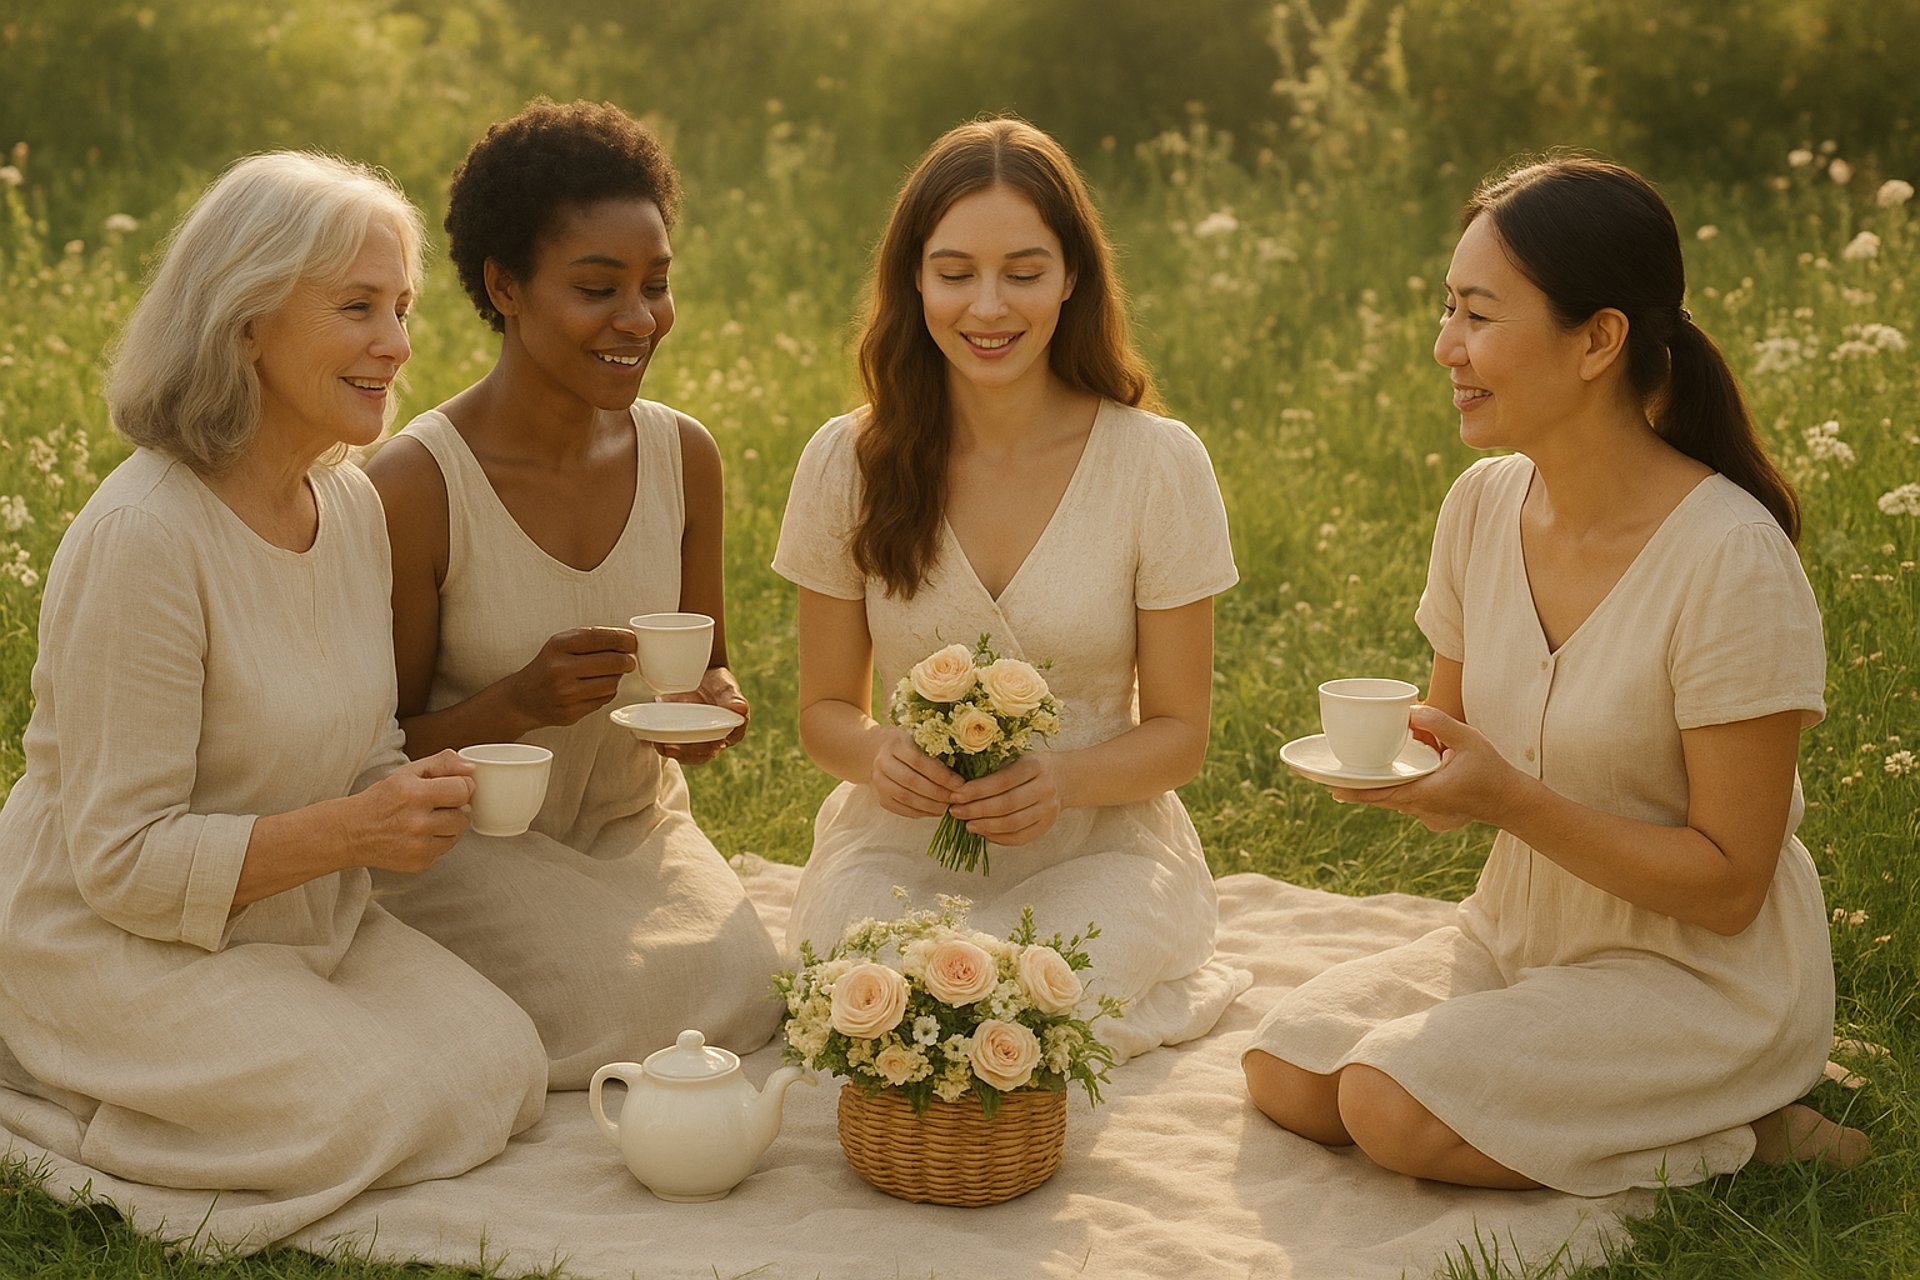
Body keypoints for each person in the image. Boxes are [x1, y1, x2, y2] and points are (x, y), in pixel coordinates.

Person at [1242, 156, 1867, 1192]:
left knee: (1387, 1107)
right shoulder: (1483, 504)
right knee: (1289, 1066)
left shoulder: (1729, 557)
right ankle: (1582, 1085)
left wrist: (1510, 800)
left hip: (1697, 976)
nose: (1446, 346)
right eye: (1448, 308)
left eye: (1479, 315)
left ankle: (1747, 1125)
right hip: (1518, 935)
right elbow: (1445, 729)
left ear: (1599, 338)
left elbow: (1729, 883)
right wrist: (1403, 767)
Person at [0, 153, 547, 1218]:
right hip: (113, 940)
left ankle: (229, 1074)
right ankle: (58, 1094)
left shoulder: (344, 505)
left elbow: (363, 747)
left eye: (401, 306)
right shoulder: (144, 537)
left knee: (507, 1066)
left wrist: (416, 792)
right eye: (356, 307)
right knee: (375, 1105)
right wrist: (353, 830)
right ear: (245, 320)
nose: (396, 342)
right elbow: (120, 861)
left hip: (294, 917)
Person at [772, 117, 1249, 1063]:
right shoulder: (846, 460)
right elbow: (826, 710)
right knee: (886, 996)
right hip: (901, 846)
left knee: (1038, 994)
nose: (988, 307)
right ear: (914, 278)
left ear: (1073, 277)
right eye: (955, 273)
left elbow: (1180, 736)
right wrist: (878, 756)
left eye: (1023, 272)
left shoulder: (1158, 464)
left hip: (1103, 847)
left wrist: (1063, 780)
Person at [365, 99, 781, 1086]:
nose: (639, 319)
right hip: (469, 844)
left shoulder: (685, 454)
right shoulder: (418, 484)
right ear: (504, 286)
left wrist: (716, 706)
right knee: (622, 1003)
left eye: (656, 285)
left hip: (634, 823)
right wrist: (516, 703)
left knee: (754, 984)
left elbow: (707, 668)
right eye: (599, 288)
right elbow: (369, 754)